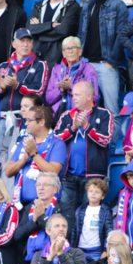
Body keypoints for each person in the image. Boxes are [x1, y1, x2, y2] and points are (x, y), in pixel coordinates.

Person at [54, 81, 114, 229]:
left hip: (93, 176)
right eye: (73, 94)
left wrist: (87, 126)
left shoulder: (104, 114)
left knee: (88, 216)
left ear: (89, 96)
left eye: (77, 95)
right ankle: (69, 248)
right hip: (68, 176)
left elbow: (105, 140)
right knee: (67, 215)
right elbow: (55, 138)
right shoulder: (67, 115)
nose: (73, 98)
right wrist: (73, 128)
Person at [77, 0, 128, 116]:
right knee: (86, 110)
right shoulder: (88, 6)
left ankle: (111, 140)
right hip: (87, 64)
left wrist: (111, 61)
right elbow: (81, 34)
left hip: (106, 64)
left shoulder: (118, 5)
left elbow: (121, 36)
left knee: (111, 110)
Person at [27, 0, 81, 66]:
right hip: (36, 59)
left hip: (58, 62)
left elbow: (64, 30)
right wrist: (50, 25)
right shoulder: (39, 6)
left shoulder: (72, 6)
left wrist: (39, 30)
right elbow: (29, 29)